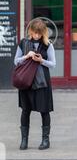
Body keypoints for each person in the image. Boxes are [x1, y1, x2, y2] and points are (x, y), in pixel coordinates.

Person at [14, 18, 56, 150]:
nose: (36, 35)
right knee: (25, 111)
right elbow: (16, 61)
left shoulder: (48, 45)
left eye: (39, 33)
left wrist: (41, 60)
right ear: (30, 31)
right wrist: (26, 56)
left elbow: (53, 64)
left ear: (43, 32)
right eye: (34, 32)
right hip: (26, 83)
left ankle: (45, 140)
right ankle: (24, 140)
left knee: (44, 111)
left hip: (42, 83)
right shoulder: (23, 43)